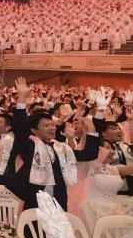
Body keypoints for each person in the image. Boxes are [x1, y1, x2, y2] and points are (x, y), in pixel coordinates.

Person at [8, 77, 101, 210]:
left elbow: (89, 154)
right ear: (34, 130)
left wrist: (91, 131)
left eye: (52, 124)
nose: (52, 128)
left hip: (59, 202)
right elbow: (20, 128)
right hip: (35, 202)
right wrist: (22, 99)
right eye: (46, 126)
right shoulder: (29, 146)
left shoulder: (60, 148)